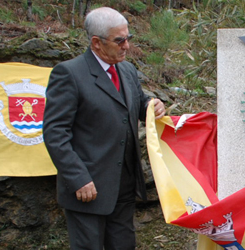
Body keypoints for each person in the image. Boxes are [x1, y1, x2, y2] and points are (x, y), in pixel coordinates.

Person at [43, 7, 166, 250]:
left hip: (125, 184)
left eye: (128, 38)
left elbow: (136, 105)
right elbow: (55, 133)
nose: (126, 46)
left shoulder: (128, 70)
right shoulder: (69, 74)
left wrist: (153, 107)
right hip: (88, 189)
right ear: (96, 43)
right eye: (119, 40)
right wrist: (78, 179)